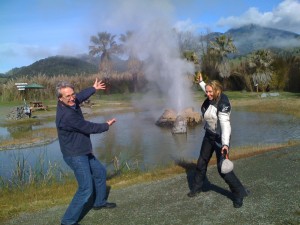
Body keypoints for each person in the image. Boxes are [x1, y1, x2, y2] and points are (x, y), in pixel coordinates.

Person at [56, 78, 117, 225]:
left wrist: (93, 88)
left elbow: (80, 96)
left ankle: (99, 202)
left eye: (72, 94)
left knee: (100, 173)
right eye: (67, 96)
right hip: (75, 155)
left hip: (83, 150)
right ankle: (68, 221)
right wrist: (106, 125)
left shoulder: (70, 103)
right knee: (85, 188)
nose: (72, 98)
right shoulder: (67, 116)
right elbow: (88, 127)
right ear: (60, 99)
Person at [187, 73, 248, 208]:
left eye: (210, 92)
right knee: (201, 162)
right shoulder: (212, 95)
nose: (207, 94)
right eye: (207, 91)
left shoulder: (223, 103)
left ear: (217, 91)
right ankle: (197, 187)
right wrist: (201, 82)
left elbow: (225, 125)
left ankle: (239, 193)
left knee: (223, 169)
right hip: (209, 135)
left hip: (221, 138)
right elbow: (207, 89)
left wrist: (225, 145)